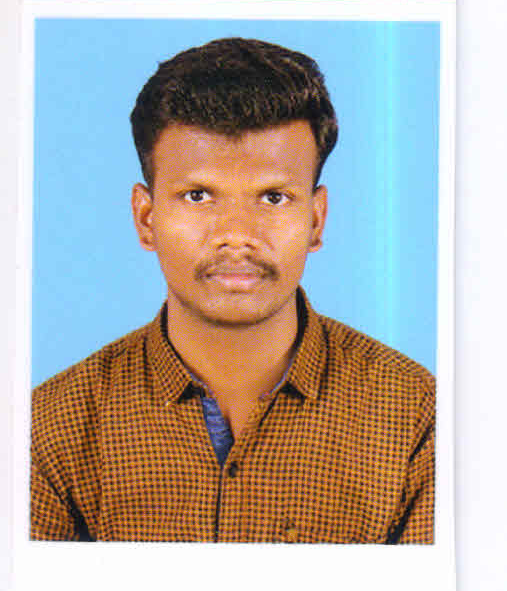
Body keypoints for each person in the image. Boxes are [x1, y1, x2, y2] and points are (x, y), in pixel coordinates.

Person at [31, 37, 435, 544]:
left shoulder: (415, 416)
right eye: (198, 195)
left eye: (273, 197)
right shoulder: (51, 429)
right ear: (146, 218)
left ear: (316, 219)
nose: (238, 235)